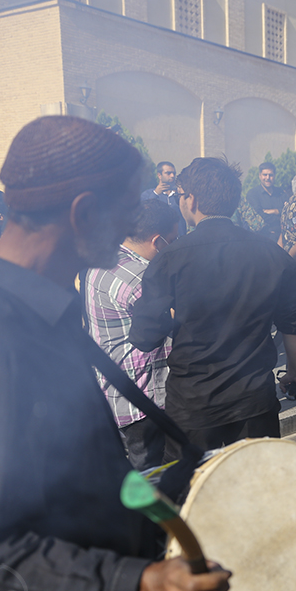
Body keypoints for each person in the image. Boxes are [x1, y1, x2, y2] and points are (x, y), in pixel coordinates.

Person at [0, 115, 230, 591]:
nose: (134, 228)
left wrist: (167, 502)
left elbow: (85, 476)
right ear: (83, 213)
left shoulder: (43, 308)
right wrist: (140, 587)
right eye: (128, 212)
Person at [130, 157, 296, 451]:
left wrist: (175, 314)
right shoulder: (275, 256)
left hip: (193, 405)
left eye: (180, 195)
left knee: (193, 492)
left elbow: (144, 337)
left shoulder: (169, 258)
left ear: (191, 199)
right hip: (254, 401)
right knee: (255, 490)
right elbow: (292, 325)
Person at [84, 198, 179, 470]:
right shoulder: (140, 277)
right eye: (172, 240)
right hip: (144, 400)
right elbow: (179, 320)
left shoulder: (104, 259)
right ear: (157, 241)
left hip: (118, 392)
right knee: (156, 481)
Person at [241, 161, 288, 243]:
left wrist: (275, 211)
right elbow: (259, 215)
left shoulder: (281, 193)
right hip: (263, 238)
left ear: (274, 176)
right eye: (265, 175)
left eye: (270, 175)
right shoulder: (253, 194)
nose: (267, 178)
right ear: (260, 175)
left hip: (283, 237)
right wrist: (280, 216)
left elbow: (288, 211)